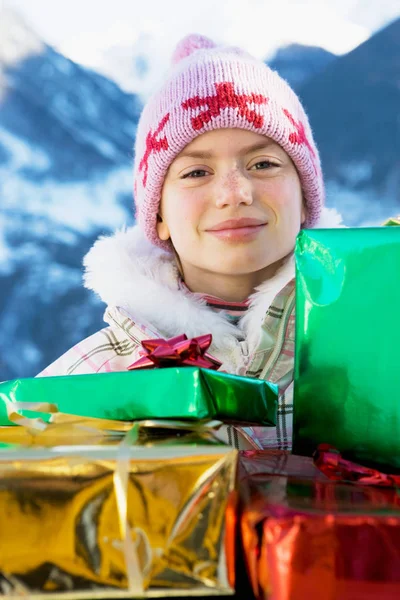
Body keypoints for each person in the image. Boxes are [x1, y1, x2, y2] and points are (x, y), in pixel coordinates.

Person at [38, 33, 342, 449]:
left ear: (306, 196)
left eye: (264, 163)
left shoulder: (371, 347)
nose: (234, 193)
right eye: (196, 172)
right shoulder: (98, 377)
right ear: (158, 214)